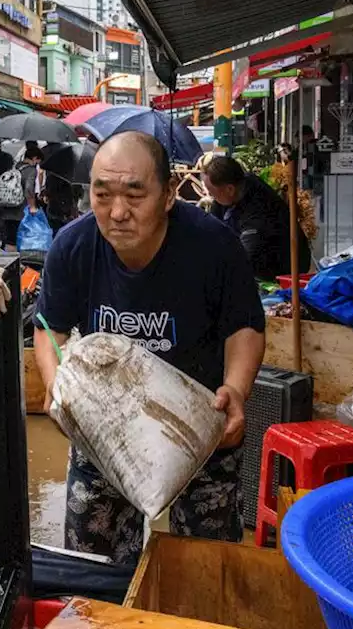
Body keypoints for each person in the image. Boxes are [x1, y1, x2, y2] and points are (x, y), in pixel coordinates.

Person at [33, 131, 266, 566]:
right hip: (106, 421)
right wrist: (55, 385)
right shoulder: (72, 246)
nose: (117, 212)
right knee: (93, 567)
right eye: (102, 194)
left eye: (134, 194)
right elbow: (50, 328)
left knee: (207, 567)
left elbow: (245, 327)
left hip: (199, 423)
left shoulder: (215, 247)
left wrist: (236, 388)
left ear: (169, 195)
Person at [201, 155, 312, 280]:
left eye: (212, 192)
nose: (210, 196)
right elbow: (211, 229)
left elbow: (244, 256)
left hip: (283, 271)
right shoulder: (235, 188)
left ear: (230, 189)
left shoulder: (258, 206)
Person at [0, 142, 42, 250]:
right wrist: (32, 206)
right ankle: (18, 262)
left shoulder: (16, 166)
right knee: (21, 237)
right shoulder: (31, 170)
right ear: (34, 158)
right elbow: (29, 189)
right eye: (38, 161)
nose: (37, 164)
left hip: (7, 206)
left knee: (9, 237)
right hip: (20, 211)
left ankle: (8, 259)